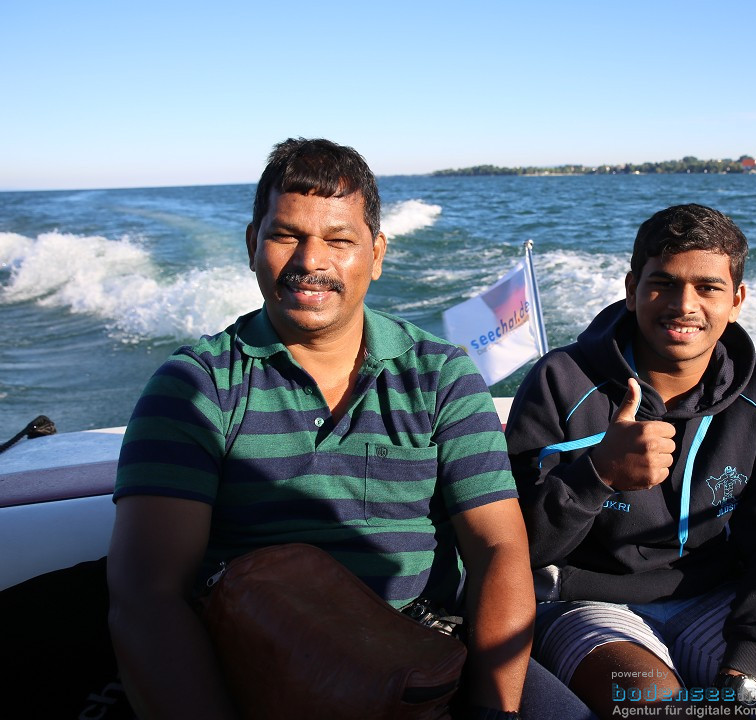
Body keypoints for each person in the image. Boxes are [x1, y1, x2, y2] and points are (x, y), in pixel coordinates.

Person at [107, 138, 545, 720]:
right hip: (258, 676)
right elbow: (148, 598)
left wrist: (493, 712)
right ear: (252, 243)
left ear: (378, 253)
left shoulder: (440, 375)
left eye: (339, 241)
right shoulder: (195, 389)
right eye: (286, 235)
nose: (311, 261)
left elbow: (499, 549)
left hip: (424, 670)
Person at [504, 204, 756, 715]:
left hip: (716, 596)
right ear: (631, 289)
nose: (683, 304)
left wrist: (746, 663)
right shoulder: (562, 380)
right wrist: (598, 474)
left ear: (736, 300)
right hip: (585, 602)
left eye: (708, 288)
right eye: (663, 284)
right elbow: (512, 548)